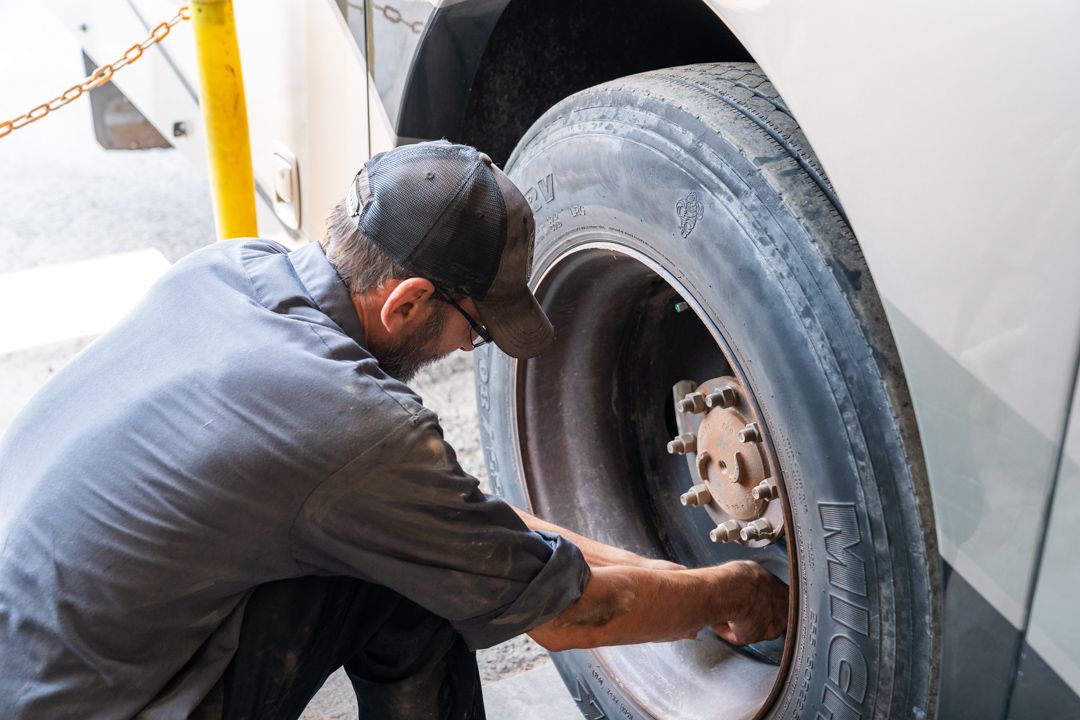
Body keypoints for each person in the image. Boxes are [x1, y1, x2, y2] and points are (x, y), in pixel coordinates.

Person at [0, 141, 787, 719]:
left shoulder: (227, 268)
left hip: (38, 663)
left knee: (420, 554)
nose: (467, 349)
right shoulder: (348, 423)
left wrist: (660, 571)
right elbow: (571, 613)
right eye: (475, 328)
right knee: (422, 588)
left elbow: (465, 526)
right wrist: (736, 591)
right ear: (406, 302)